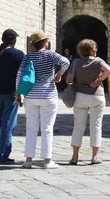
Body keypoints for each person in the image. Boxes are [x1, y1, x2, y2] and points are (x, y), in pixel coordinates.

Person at [16, 30, 69, 169]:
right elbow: (66, 62)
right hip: (48, 95)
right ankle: (47, 161)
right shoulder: (50, 55)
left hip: (31, 96)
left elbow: (19, 74)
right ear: (45, 42)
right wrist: (59, 74)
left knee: (31, 128)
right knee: (47, 128)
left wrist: (18, 93)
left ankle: (28, 160)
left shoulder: (28, 56)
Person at [66, 39, 110, 165]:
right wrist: (98, 81)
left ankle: (75, 156)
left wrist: (76, 82)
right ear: (91, 50)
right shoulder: (98, 61)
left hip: (79, 96)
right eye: (95, 47)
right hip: (96, 96)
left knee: (78, 126)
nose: (96, 49)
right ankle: (95, 156)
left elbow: (68, 80)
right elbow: (107, 70)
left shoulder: (75, 63)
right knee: (96, 126)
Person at [0, 29, 24, 164]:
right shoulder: (18, 54)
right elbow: (22, 74)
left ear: (2, 39)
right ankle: (3, 156)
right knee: (8, 124)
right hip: (11, 93)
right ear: (14, 41)